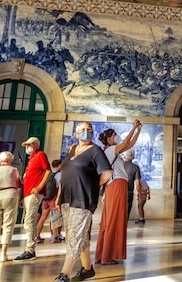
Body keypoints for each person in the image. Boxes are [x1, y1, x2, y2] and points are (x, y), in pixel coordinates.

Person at [54, 121, 113, 282]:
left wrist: (92, 184)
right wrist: (59, 196)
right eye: (82, 129)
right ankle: (87, 269)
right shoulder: (72, 149)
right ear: (76, 133)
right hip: (67, 197)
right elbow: (65, 174)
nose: (85, 132)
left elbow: (107, 172)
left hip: (83, 198)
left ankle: (64, 274)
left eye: (89, 129)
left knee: (75, 236)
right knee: (80, 235)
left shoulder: (96, 151)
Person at [95, 122, 142, 266]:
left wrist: (138, 131)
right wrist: (133, 128)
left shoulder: (111, 150)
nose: (117, 137)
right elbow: (126, 142)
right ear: (109, 139)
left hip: (114, 185)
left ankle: (102, 254)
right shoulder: (111, 150)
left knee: (109, 220)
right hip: (117, 185)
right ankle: (107, 256)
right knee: (114, 219)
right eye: (115, 135)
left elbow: (129, 144)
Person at [15, 136, 51, 261]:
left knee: (29, 220)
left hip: (34, 192)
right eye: (26, 145)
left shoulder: (40, 155)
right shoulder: (30, 159)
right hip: (28, 193)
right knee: (28, 220)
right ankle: (29, 248)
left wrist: (39, 186)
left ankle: (30, 249)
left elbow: (48, 171)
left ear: (35, 145)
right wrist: (23, 197)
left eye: (29, 145)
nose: (27, 147)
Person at [36, 159, 63, 243]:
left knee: (42, 218)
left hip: (45, 198)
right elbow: (60, 188)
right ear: (59, 165)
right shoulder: (60, 175)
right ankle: (54, 237)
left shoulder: (48, 175)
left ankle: (37, 236)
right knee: (54, 218)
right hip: (53, 198)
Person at [122, 150, 142, 217]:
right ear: (133, 157)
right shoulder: (135, 167)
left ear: (125, 156)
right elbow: (138, 184)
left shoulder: (119, 165)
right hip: (128, 193)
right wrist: (139, 195)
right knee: (126, 215)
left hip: (118, 192)